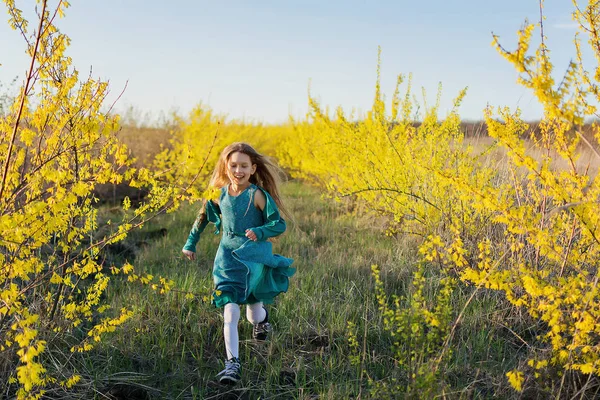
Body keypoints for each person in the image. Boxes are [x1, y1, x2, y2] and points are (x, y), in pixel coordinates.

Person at [182, 142, 295, 384]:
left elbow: (279, 224)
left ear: (253, 168)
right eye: (233, 165)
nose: (238, 170)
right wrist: (191, 243)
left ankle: (262, 320)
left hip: (253, 258)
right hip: (226, 259)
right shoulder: (219, 193)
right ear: (226, 166)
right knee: (230, 310)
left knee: (253, 314)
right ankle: (232, 364)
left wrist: (261, 231)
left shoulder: (257, 195)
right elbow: (202, 217)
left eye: (244, 166)